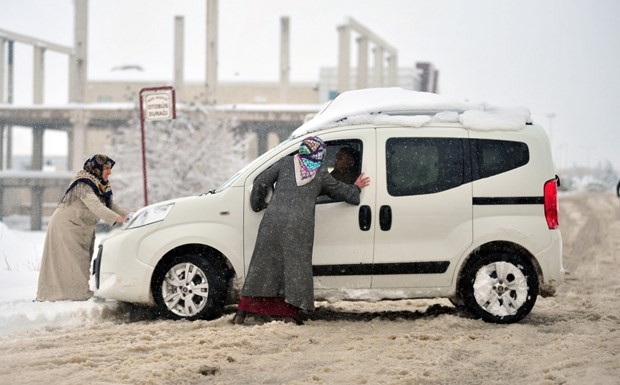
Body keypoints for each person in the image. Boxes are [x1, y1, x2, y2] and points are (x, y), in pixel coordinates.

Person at [232, 136, 370, 325]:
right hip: (300, 226)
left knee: (263, 265)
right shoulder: (320, 173)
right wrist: (356, 188)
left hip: (273, 220)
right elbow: (342, 192)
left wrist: (259, 204)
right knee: (295, 268)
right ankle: (289, 313)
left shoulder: (286, 162)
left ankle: (243, 312)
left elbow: (261, 181)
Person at [36, 154, 128, 301]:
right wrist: (117, 219)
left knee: (82, 261)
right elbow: (95, 206)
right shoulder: (83, 183)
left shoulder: (100, 184)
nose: (109, 172)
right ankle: (67, 295)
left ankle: (74, 293)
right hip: (66, 225)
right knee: (71, 261)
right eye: (106, 168)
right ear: (97, 168)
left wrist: (129, 216)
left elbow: (111, 205)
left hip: (82, 227)